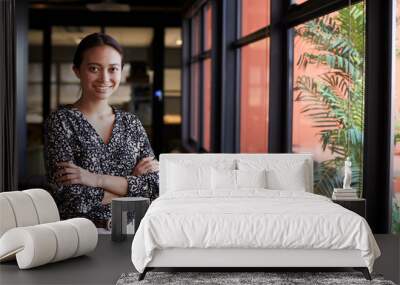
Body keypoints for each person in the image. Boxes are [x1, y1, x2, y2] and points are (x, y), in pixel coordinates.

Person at [43, 33, 159, 229]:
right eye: (94, 68)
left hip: (133, 228)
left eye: (113, 69)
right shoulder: (61, 121)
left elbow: (155, 187)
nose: (104, 78)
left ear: (121, 71)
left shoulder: (131, 123)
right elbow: (71, 199)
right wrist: (131, 182)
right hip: (80, 233)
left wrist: (95, 179)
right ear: (77, 70)